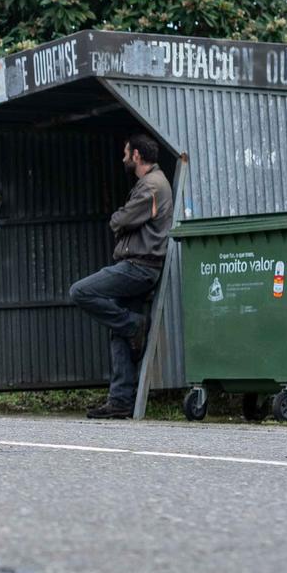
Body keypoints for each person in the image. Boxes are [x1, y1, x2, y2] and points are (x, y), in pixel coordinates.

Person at [70, 133, 173, 419]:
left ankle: (134, 324)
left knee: (80, 291)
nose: (124, 158)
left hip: (139, 268)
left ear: (137, 155)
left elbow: (121, 220)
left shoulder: (151, 185)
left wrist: (118, 218)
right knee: (119, 332)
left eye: (126, 153)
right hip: (140, 266)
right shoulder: (151, 183)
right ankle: (120, 401)